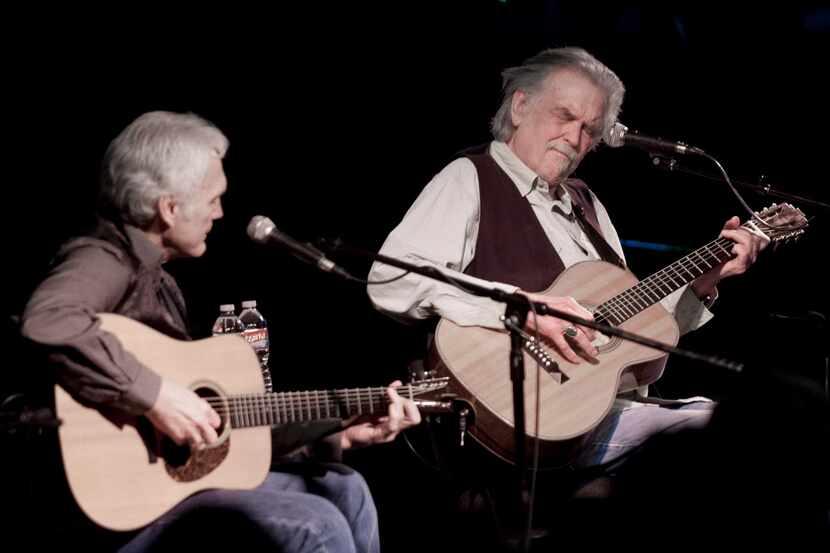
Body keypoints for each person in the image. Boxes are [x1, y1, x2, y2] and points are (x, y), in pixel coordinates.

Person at [366, 47, 771, 540]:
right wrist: (520, 310)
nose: (575, 138)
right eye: (564, 116)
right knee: (725, 437)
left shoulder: (588, 205)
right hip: (516, 415)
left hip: (600, 412)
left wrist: (706, 280)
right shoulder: (470, 179)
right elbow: (391, 281)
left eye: (589, 129)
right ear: (519, 108)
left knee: (742, 430)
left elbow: (635, 330)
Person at [21, 111, 421, 553]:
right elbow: (50, 319)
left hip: (169, 491)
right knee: (317, 524)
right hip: (112, 515)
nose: (220, 212)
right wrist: (154, 395)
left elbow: (215, 432)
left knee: (345, 488)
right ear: (170, 209)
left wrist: (336, 433)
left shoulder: (162, 283)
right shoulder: (104, 259)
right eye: (212, 198)